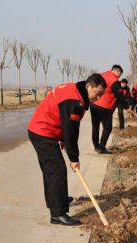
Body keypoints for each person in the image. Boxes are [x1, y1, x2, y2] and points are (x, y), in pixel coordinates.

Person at [28, 74, 106, 226]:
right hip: (43, 131)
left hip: (43, 129)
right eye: (97, 93)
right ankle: (57, 214)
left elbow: (67, 122)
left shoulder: (76, 91)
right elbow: (71, 130)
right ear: (88, 86)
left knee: (51, 170)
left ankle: (57, 200)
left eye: (101, 95)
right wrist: (74, 158)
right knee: (56, 170)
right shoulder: (74, 101)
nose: (98, 98)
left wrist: (63, 139)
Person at [90, 65, 130, 154]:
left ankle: (96, 146)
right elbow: (119, 96)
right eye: (119, 74)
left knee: (95, 126)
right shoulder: (114, 80)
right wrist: (126, 106)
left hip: (93, 105)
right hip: (104, 107)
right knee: (107, 127)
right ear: (117, 71)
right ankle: (102, 147)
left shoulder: (101, 75)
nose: (119, 77)